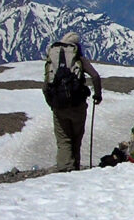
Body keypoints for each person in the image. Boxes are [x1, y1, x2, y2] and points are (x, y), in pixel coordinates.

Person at [42, 31, 103, 171]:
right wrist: (97, 96)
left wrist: (52, 104)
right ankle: (74, 169)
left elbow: (46, 86)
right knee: (76, 138)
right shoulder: (79, 59)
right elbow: (95, 76)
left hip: (59, 107)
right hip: (78, 105)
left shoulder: (53, 60)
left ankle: (65, 168)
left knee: (64, 139)